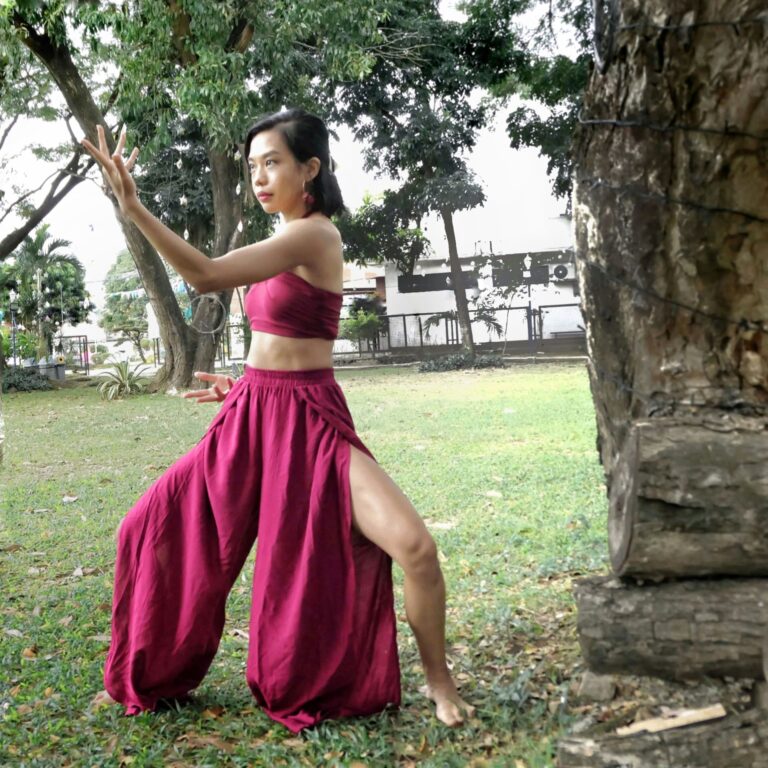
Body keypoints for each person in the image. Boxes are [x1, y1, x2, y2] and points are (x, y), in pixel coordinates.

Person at [81, 109, 474, 731]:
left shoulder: (316, 235)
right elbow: (277, 333)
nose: (260, 178)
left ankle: (438, 682)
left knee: (415, 549)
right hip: (253, 410)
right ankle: (146, 676)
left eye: (273, 163)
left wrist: (133, 206)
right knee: (148, 525)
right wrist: (242, 385)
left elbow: (205, 274)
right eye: (253, 165)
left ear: (309, 167)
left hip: (310, 418)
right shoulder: (283, 233)